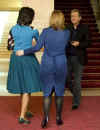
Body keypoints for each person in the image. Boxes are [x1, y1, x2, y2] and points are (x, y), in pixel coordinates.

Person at [16, 10, 70, 128]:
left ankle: (45, 118)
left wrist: (23, 51)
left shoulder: (45, 32)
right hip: (61, 64)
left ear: (52, 19)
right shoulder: (66, 33)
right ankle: (58, 117)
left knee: (47, 93)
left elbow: (37, 47)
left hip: (47, 64)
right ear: (62, 19)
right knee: (59, 93)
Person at [7, 7, 42, 124]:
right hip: (28, 60)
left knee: (24, 86)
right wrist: (30, 46)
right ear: (30, 17)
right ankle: (22, 116)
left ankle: (25, 110)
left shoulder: (13, 29)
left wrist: (19, 45)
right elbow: (40, 46)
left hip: (15, 59)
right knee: (28, 87)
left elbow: (9, 46)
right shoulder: (33, 30)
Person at [66, 9, 91, 110]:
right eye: (72, 16)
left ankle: (76, 102)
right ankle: (76, 93)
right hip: (67, 57)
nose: (73, 18)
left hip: (79, 58)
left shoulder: (85, 28)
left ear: (80, 18)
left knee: (77, 81)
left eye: (75, 16)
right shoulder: (67, 27)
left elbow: (89, 42)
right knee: (66, 79)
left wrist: (79, 44)